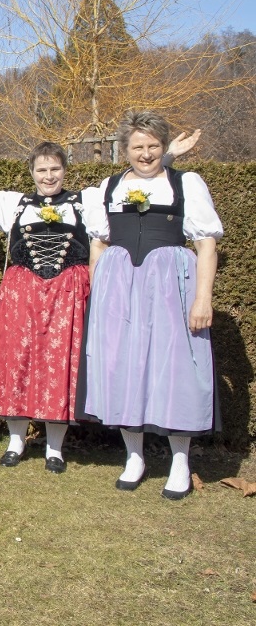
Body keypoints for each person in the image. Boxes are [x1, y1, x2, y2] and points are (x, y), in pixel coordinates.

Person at [0, 126, 201, 473]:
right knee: (16, 364)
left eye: (55, 169)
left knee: (61, 366)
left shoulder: (87, 201)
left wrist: (168, 156)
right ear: (31, 172)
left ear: (64, 171)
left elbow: (136, 183)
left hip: (68, 295)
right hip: (21, 294)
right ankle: (16, 441)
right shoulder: (14, 203)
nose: (48, 176)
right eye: (41, 169)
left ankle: (55, 448)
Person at [80, 111, 221, 500]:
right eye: (137, 147)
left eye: (154, 146)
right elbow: (98, 244)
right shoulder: (107, 188)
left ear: (164, 147)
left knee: (176, 369)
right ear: (124, 150)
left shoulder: (185, 184)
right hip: (120, 291)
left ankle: (180, 462)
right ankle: (135, 457)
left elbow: (206, 244)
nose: (146, 154)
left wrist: (202, 298)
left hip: (170, 287)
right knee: (124, 368)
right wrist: (99, 293)